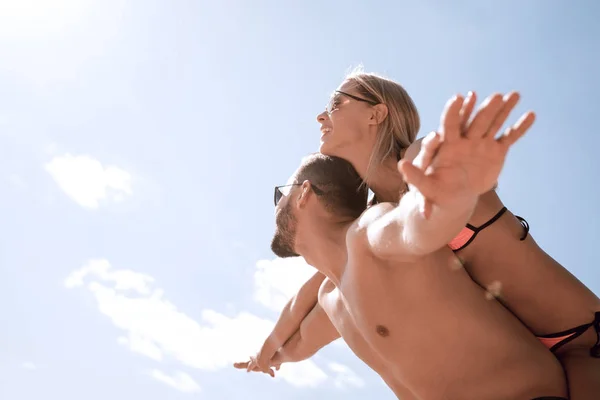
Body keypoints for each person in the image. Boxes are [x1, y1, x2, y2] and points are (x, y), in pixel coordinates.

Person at [237, 70, 600, 398]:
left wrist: (468, 178)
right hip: (523, 356)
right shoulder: (374, 221)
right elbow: (317, 288)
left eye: (335, 102)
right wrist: (265, 351)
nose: (321, 115)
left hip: (583, 340)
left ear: (375, 114)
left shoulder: (423, 158)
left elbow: (441, 185)